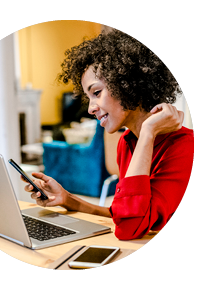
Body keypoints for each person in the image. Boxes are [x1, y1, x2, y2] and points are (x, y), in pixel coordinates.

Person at [22, 29, 194, 240]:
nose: (90, 108)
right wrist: (67, 199)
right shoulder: (127, 142)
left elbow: (130, 228)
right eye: (88, 97)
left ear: (128, 84)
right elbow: (123, 214)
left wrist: (149, 131)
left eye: (96, 93)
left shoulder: (185, 146)